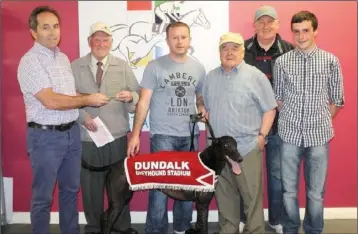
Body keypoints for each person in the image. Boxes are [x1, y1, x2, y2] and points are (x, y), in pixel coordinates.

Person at [17, 6, 109, 234]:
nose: (52, 32)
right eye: (45, 27)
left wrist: (89, 103)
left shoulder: (63, 58)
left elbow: (69, 95)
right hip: (45, 137)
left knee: (70, 191)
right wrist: (88, 98)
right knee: (43, 197)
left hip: (71, 135)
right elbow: (51, 101)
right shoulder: (30, 62)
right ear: (33, 32)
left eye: (55, 26)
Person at [127, 21, 206, 234]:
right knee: (161, 187)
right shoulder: (154, 66)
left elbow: (199, 94)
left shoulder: (198, 67)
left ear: (189, 40)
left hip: (189, 136)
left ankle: (182, 227)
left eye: (183, 37)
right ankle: (155, 230)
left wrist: (201, 105)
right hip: (163, 135)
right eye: (175, 37)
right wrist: (135, 135)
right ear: (167, 40)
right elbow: (143, 102)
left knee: (188, 185)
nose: (179, 41)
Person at [273, 11, 344, 234]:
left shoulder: (331, 61)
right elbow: (278, 99)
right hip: (289, 135)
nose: (301, 36)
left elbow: (338, 100)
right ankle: (291, 228)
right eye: (296, 31)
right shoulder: (282, 62)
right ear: (291, 33)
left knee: (315, 192)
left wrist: (320, 119)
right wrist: (294, 119)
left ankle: (314, 230)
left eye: (305, 30)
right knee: (289, 190)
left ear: (315, 31)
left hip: (319, 136)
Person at [200, 32, 277, 234]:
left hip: (246, 148)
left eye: (235, 48)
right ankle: (229, 229)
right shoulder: (210, 77)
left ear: (243, 51)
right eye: (224, 48)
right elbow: (205, 104)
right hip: (217, 151)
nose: (229, 52)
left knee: (251, 197)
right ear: (219, 52)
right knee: (224, 196)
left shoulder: (255, 76)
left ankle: (255, 230)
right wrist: (201, 106)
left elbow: (270, 108)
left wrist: (262, 136)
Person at [71, 22, 139, 234]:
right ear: (89, 41)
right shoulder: (74, 66)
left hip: (117, 136)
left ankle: (121, 225)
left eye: (105, 39)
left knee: (119, 185)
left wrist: (131, 97)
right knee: (91, 187)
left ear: (111, 42)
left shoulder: (123, 65)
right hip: (88, 136)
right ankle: (94, 228)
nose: (101, 43)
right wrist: (83, 117)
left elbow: (136, 97)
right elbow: (67, 99)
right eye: (97, 39)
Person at [242, 5, 294, 233]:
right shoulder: (241, 50)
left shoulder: (290, 50)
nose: (265, 26)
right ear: (254, 25)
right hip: (247, 126)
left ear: (278, 24)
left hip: (279, 127)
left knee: (277, 177)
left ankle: (275, 219)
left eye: (269, 21)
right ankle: (247, 218)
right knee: (247, 178)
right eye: (260, 22)